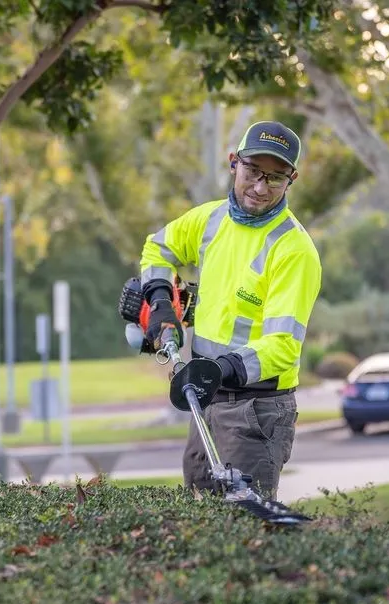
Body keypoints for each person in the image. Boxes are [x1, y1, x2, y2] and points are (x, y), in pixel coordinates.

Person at [138, 120, 322, 501]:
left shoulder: (294, 251)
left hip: (256, 409)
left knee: (243, 531)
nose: (259, 187)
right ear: (233, 162)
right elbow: (158, 248)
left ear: (292, 180)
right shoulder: (210, 220)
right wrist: (159, 302)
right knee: (199, 517)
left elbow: (284, 345)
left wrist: (221, 368)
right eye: (253, 171)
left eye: (275, 178)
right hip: (205, 398)